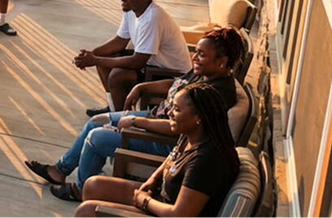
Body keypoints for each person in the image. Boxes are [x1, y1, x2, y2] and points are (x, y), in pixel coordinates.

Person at [25, 28, 243, 202]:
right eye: (196, 51)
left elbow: (179, 130)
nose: (195, 57)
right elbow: (177, 83)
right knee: (95, 122)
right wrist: (142, 87)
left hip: (163, 139)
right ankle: (59, 171)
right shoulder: (205, 75)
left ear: (222, 61)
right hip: (155, 118)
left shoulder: (216, 92)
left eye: (202, 54)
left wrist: (136, 122)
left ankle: (82, 189)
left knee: (97, 138)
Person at [74, 82, 241, 218]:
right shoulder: (191, 135)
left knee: (86, 212)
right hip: (161, 197)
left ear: (198, 118)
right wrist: (153, 179)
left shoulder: (206, 161)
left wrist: (145, 201)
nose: (169, 112)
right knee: (92, 186)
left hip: (168, 212)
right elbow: (172, 156)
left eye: (176, 109)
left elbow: (180, 215)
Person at [74, 0, 192, 115]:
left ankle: (119, 120)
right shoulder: (132, 9)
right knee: (104, 57)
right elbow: (120, 41)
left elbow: (137, 61)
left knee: (118, 76)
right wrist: (91, 55)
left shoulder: (153, 19)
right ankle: (113, 108)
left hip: (170, 74)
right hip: (151, 63)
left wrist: (95, 59)